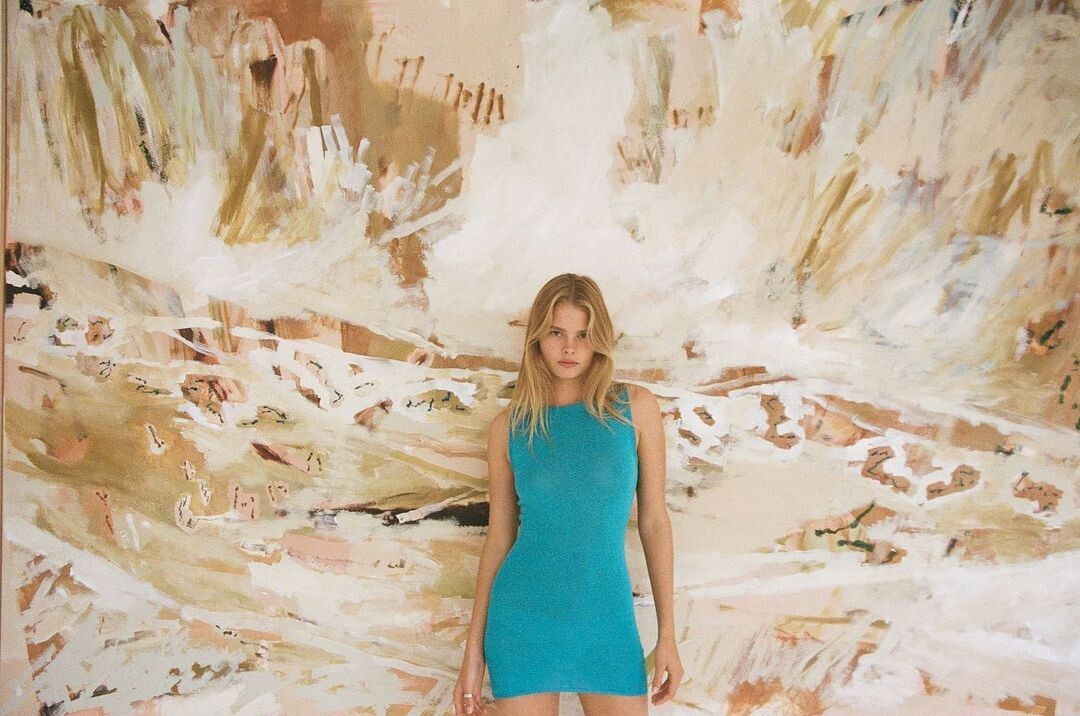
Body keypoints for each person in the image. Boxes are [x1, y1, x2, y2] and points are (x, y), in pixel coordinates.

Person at [454, 273, 684, 715]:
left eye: (583, 335)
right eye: (556, 333)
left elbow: (655, 521)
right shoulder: (508, 428)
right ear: (537, 338)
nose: (570, 348)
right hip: (521, 623)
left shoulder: (635, 409)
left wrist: (667, 636)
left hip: (607, 623)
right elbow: (498, 539)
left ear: (600, 340)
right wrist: (472, 654)